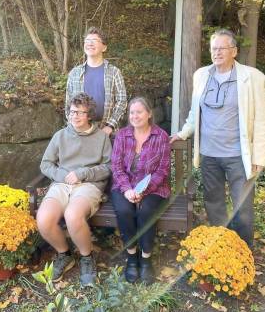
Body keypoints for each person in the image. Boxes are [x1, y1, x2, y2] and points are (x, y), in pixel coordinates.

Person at [170, 29, 265, 247]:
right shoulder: (201, 76)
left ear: (234, 51)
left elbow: (261, 120)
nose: (216, 52)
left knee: (243, 209)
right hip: (209, 155)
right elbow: (195, 113)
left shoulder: (252, 78)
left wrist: (259, 157)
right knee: (214, 205)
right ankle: (221, 252)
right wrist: (183, 132)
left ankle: (244, 255)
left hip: (237, 156)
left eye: (222, 48)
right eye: (213, 48)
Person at [36, 93, 112, 286]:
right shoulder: (60, 136)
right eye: (72, 112)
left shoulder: (101, 138)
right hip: (62, 185)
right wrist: (63, 176)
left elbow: (109, 167)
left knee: (72, 215)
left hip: (88, 186)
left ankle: (87, 257)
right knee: (44, 220)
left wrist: (83, 173)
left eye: (80, 112)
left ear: (89, 115)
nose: (75, 116)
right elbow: (46, 165)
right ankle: (64, 253)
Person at [111, 97, 171, 284]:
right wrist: (128, 190)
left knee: (146, 210)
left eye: (139, 112)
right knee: (124, 210)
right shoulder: (122, 135)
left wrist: (143, 191)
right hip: (124, 186)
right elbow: (117, 166)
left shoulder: (160, 136)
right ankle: (131, 257)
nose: (135, 116)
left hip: (153, 188)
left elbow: (163, 170)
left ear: (149, 114)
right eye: (132, 112)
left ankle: (146, 258)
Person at [66, 26, 127, 135]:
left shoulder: (114, 72)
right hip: (80, 132)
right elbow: (68, 104)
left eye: (94, 40)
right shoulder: (74, 73)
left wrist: (110, 126)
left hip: (106, 132)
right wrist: (73, 125)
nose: (90, 43)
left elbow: (122, 102)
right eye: (87, 41)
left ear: (104, 47)